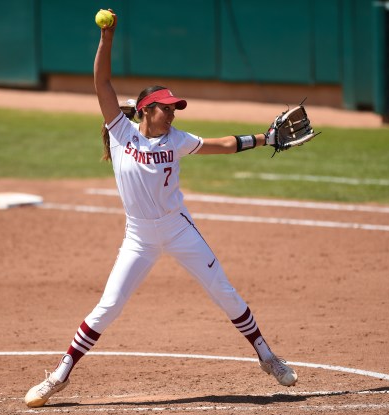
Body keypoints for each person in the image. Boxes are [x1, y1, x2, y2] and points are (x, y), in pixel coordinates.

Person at [24, 10, 297, 408]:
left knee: (223, 290)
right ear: (147, 110)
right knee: (109, 306)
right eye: (166, 107)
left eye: (174, 108)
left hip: (177, 229)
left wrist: (261, 137)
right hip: (138, 236)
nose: (172, 113)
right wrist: (108, 38)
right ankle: (58, 377)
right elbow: (101, 82)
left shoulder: (177, 139)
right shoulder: (120, 131)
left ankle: (269, 358)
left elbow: (220, 145)